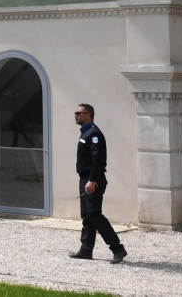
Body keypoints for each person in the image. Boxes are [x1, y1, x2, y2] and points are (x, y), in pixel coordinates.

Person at [70, 103, 127, 264]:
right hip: (85, 179)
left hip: (92, 179)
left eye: (78, 113)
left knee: (95, 215)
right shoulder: (86, 133)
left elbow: (97, 159)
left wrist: (92, 180)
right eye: (76, 113)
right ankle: (86, 250)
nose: (76, 115)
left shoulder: (94, 134)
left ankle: (117, 248)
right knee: (87, 216)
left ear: (88, 115)